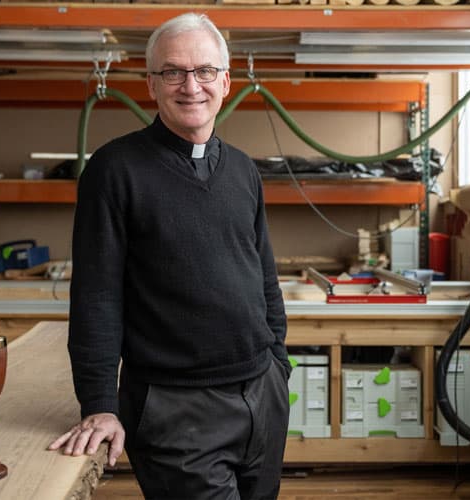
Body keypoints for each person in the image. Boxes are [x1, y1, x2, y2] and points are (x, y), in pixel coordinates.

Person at [48, 12, 291, 500]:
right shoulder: (114, 171)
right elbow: (96, 296)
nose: (190, 86)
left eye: (204, 71)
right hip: (175, 410)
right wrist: (98, 403)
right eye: (173, 72)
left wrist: (277, 363)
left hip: (261, 396)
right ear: (151, 85)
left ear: (225, 82)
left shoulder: (243, 170)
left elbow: (264, 276)